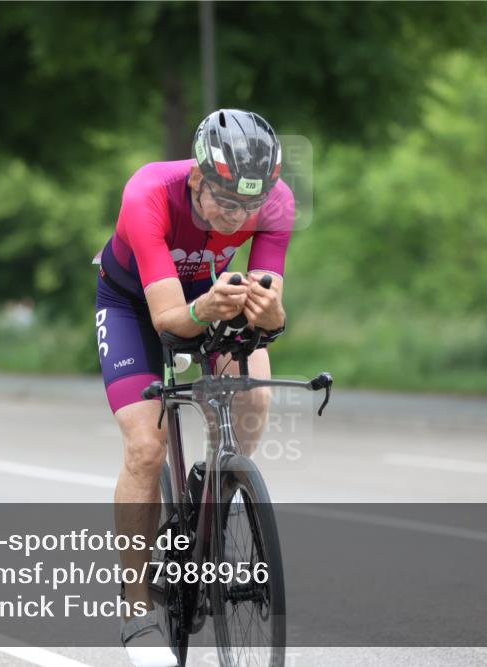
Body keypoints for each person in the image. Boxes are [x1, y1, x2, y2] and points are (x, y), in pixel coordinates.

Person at [94, 109, 292, 667]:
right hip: (137, 303)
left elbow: (266, 309)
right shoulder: (148, 193)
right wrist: (205, 307)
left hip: (210, 294)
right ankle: (137, 614)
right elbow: (170, 321)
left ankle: (221, 487)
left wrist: (269, 312)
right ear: (198, 177)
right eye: (226, 202)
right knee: (145, 446)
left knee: (256, 393)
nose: (238, 217)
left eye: (250, 206)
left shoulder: (275, 203)